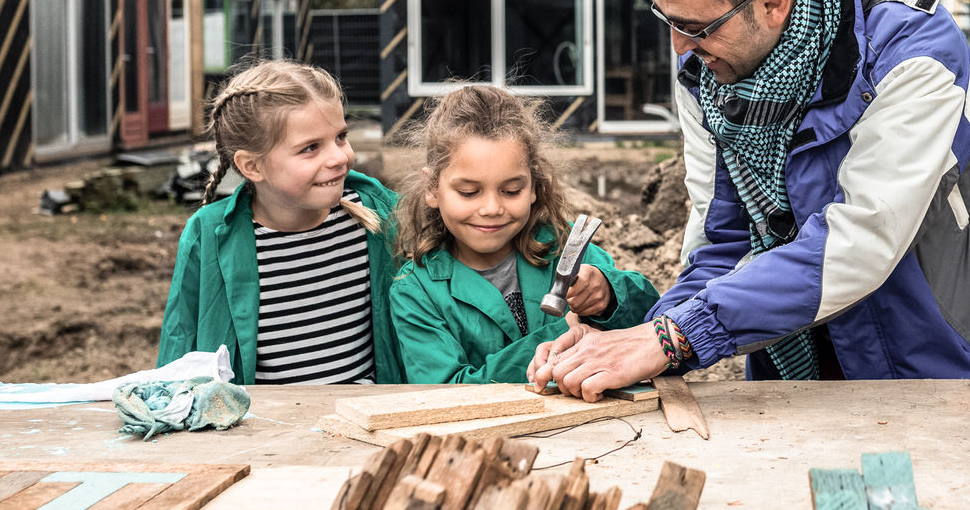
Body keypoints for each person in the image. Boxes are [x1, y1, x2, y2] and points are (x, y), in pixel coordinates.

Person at [527, 0, 970, 467]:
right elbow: (721, 241)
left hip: (946, 368)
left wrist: (670, 339)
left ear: (774, 4)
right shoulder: (708, 73)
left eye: (695, 26)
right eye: (666, 20)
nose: (679, 48)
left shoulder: (911, 54)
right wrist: (640, 343)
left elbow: (858, 244)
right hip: (800, 376)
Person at [388, 85, 660, 384]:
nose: (492, 208)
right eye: (468, 192)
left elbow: (652, 325)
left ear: (534, 185)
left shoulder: (562, 246)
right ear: (431, 188)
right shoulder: (416, 291)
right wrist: (560, 334)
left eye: (511, 190)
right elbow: (444, 391)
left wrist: (608, 295)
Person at [158, 60, 404, 384]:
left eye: (341, 136)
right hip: (266, 431)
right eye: (310, 148)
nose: (340, 157)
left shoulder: (381, 218)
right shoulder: (208, 236)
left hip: (363, 426)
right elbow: (179, 350)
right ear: (252, 166)